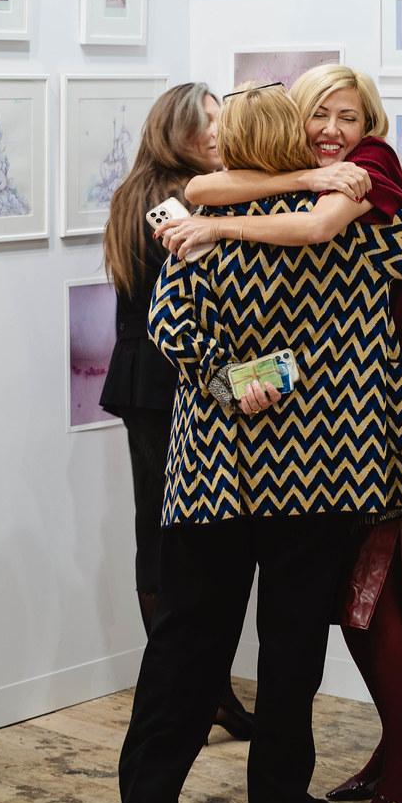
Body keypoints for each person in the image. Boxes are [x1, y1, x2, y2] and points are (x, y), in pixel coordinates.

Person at [118, 82, 402, 803]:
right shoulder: (356, 233)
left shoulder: (203, 230)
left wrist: (226, 378)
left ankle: (147, 799)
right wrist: (391, 182)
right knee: (291, 651)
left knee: (188, 638)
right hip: (319, 473)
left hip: (214, 471)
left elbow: (169, 327)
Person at [100, 82, 254, 741]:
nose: (218, 131)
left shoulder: (139, 191)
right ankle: (191, 691)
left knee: (161, 532)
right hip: (165, 381)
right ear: (176, 131)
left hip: (145, 379)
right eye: (206, 122)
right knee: (177, 539)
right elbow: (193, 311)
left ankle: (201, 691)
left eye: (221, 119)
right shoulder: (178, 197)